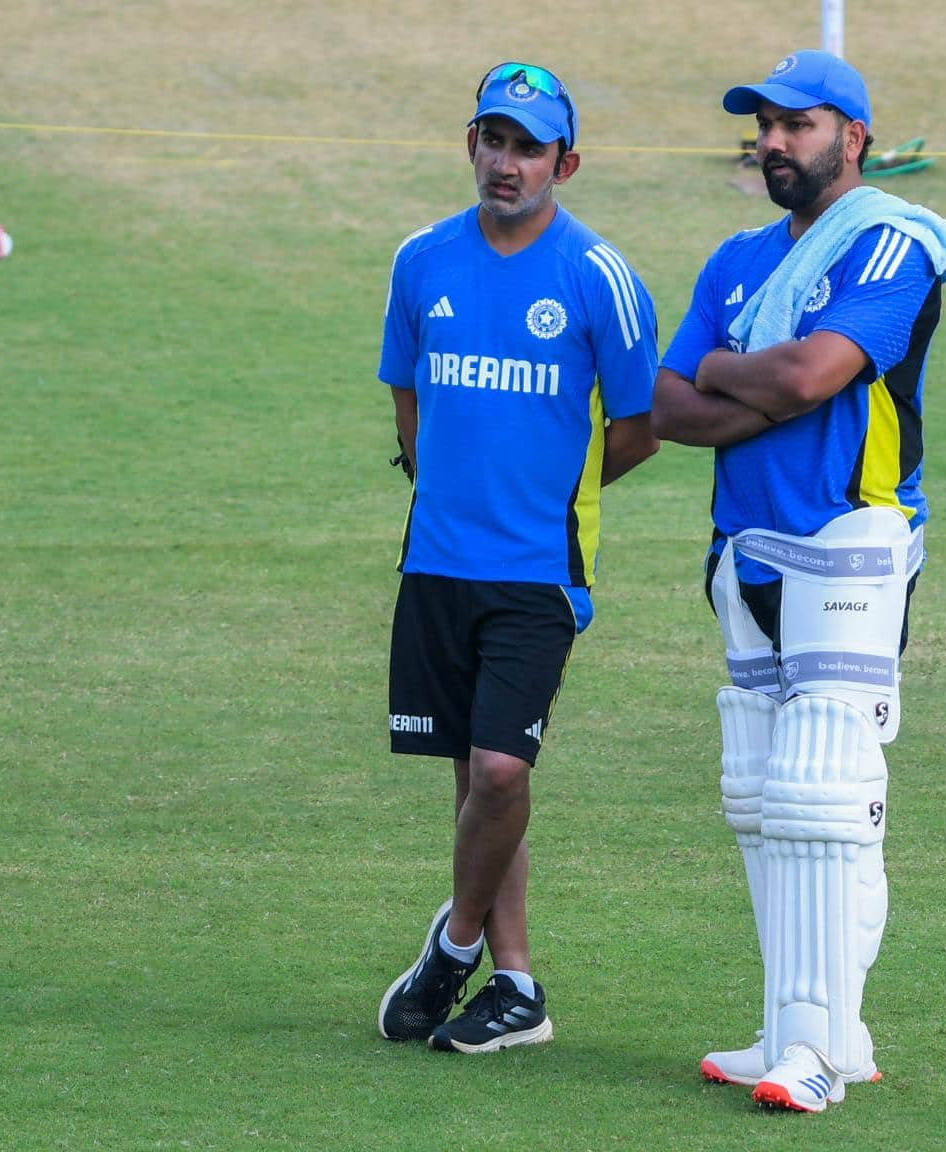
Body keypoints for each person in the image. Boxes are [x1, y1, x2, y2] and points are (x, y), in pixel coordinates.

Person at [651, 50, 946, 1112]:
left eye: (801, 122)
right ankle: (801, 1029)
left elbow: (807, 374)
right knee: (762, 798)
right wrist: (765, 384)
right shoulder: (735, 258)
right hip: (743, 550)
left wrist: (740, 372)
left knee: (823, 796)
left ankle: (819, 1057)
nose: (776, 140)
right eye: (765, 124)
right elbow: (669, 409)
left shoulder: (893, 242)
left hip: (850, 539)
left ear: (856, 137)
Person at [374, 61, 659, 1055]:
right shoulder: (420, 262)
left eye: (529, 147)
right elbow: (408, 403)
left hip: (539, 573)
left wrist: (553, 497)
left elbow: (639, 426)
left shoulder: (599, 279)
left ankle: (452, 948)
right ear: (471, 145)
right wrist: (448, 484)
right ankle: (520, 990)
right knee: (474, 779)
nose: (508, 162)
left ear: (565, 163)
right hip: (438, 567)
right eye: (494, 140)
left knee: (501, 768)